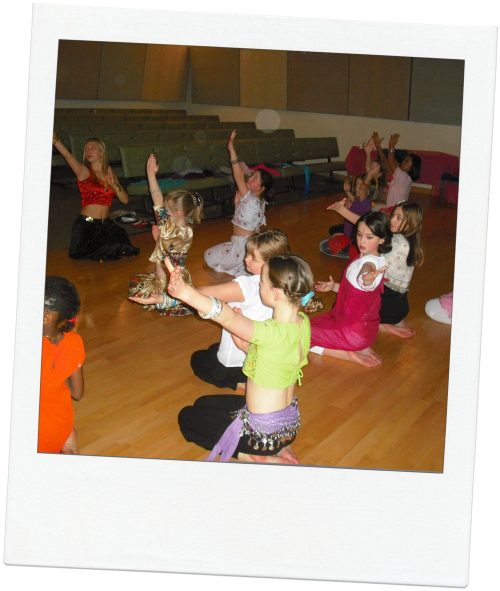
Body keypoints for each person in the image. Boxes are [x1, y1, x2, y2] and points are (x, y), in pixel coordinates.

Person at [167, 254, 322, 463]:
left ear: (275, 294)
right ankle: (282, 446)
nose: (259, 285)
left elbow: (227, 316)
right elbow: (277, 361)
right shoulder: (303, 322)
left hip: (260, 437)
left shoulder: (269, 332)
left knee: (187, 417)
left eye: (262, 282)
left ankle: (257, 458)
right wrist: (247, 348)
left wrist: (186, 293)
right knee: (204, 403)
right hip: (287, 428)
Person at [329, 199, 424, 338]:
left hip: (388, 307)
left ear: (413, 224)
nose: (393, 220)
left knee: (340, 308)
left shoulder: (397, 241)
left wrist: (342, 210)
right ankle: (393, 321)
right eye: (393, 215)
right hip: (400, 307)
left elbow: (369, 228)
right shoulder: (411, 241)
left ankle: (382, 325)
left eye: (399, 218)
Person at [309, 211, 391, 367]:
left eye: (369, 237)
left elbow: (364, 276)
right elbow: (356, 292)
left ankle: (344, 353)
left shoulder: (370, 264)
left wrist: (365, 279)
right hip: (366, 332)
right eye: (360, 234)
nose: (362, 241)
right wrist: (334, 286)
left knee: (296, 332)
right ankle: (360, 347)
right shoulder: (378, 258)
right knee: (306, 325)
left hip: (349, 332)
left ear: (382, 240)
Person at [128, 154, 204, 316]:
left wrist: (159, 242)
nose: (163, 211)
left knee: (147, 289)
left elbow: (156, 199)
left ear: (177, 213)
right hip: (174, 273)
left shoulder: (170, 228)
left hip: (167, 276)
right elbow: (158, 202)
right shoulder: (186, 229)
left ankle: (164, 295)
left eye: (167, 210)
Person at [52, 133, 140, 261]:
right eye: (86, 149)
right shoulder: (84, 172)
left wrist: (114, 185)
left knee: (124, 243)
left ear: (101, 152)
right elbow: (67, 156)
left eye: (93, 148)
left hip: (105, 224)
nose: (89, 151)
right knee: (110, 247)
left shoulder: (109, 174)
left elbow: (124, 200)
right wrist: (55, 140)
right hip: (88, 226)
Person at [204, 130, 274, 277]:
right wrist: (237, 206)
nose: (250, 178)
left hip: (243, 246)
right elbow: (249, 221)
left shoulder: (251, 200)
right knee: (210, 255)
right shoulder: (259, 202)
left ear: (261, 188)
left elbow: (238, 176)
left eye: (255, 179)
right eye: (253, 175)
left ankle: (249, 267)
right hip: (243, 243)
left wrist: (231, 150)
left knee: (209, 257)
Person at [38, 277, 85, 454]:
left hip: (40, 439)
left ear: (46, 316)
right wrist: (57, 374)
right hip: (62, 426)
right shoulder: (75, 341)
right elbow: (78, 394)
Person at [319, 163, 380, 259]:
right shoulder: (360, 200)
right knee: (333, 230)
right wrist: (347, 191)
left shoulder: (365, 200)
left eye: (360, 185)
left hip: (353, 237)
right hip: (350, 232)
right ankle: (347, 243)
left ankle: (352, 252)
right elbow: (354, 199)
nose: (357, 187)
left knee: (323, 245)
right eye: (356, 184)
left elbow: (363, 189)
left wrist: (369, 176)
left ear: (367, 188)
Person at [370, 132, 421, 210]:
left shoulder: (404, 177)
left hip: (395, 210)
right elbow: (385, 161)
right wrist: (378, 146)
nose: (403, 162)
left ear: (413, 167)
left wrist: (392, 146)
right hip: (392, 208)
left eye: (407, 161)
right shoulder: (400, 177)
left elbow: (390, 161)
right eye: (405, 160)